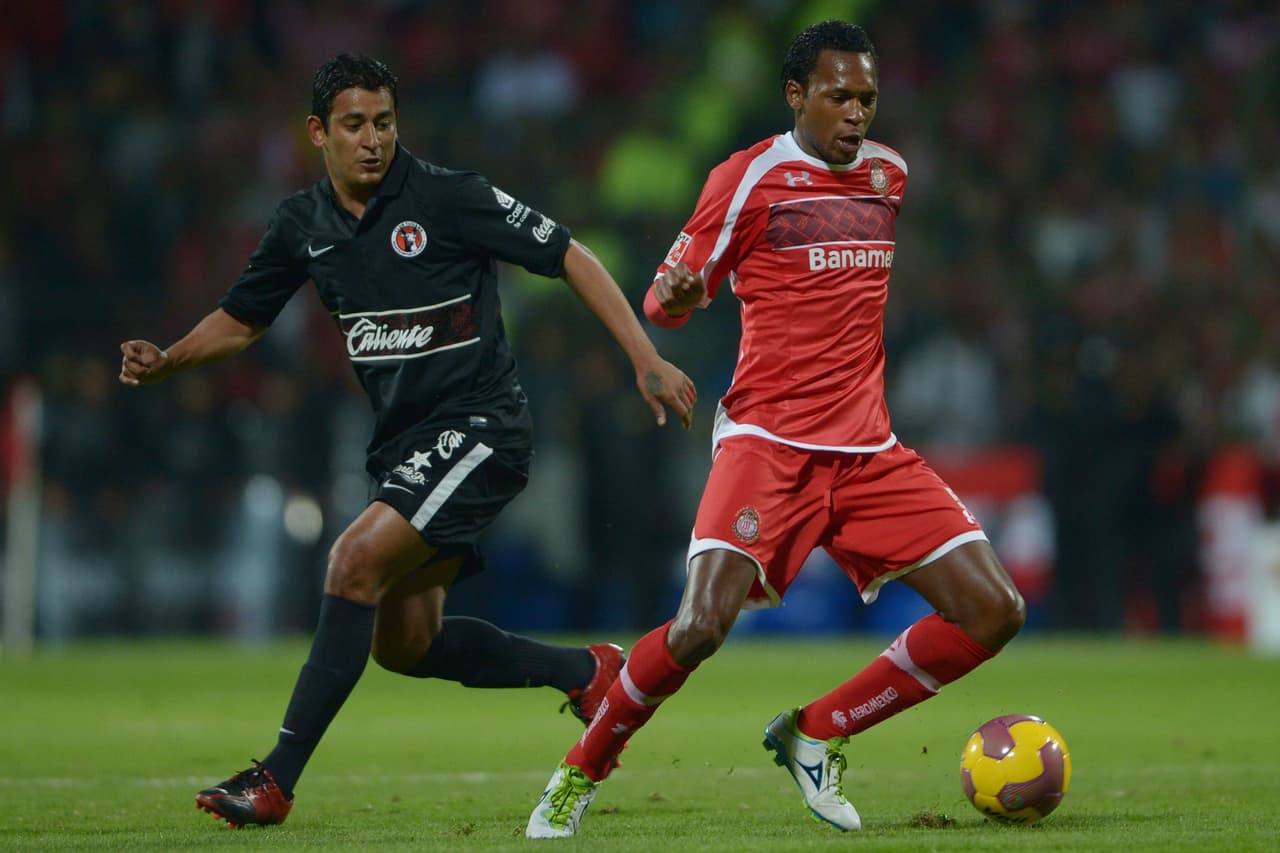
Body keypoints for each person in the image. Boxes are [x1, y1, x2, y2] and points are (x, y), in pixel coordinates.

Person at [118, 53, 696, 829]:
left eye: (384, 122)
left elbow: (567, 252)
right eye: (354, 124)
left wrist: (645, 357)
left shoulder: (446, 196)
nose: (372, 140)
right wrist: (172, 358)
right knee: (405, 644)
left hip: (485, 427)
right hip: (405, 447)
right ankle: (589, 672)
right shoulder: (303, 225)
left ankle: (275, 778)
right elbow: (244, 317)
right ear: (318, 132)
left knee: (351, 559)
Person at [526, 20, 1025, 839]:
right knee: (699, 626)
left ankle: (816, 731)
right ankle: (580, 770)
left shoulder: (889, 176)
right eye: (839, 96)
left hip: (868, 452)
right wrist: (680, 299)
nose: (856, 113)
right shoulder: (748, 177)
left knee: (995, 609)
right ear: (797, 95)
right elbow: (664, 299)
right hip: (769, 446)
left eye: (867, 97)